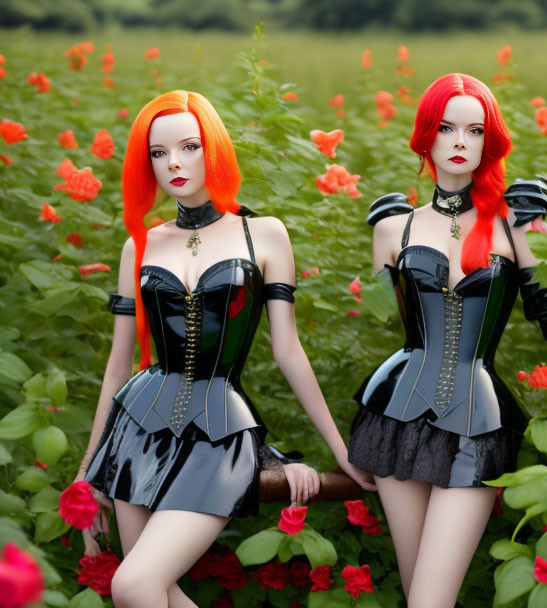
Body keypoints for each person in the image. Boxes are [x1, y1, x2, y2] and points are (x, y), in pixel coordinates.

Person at [348, 73, 547, 608]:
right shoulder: (391, 227)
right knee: (416, 596)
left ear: (490, 140)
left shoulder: (516, 223)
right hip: (394, 415)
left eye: (475, 129)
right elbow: (383, 319)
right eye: (447, 128)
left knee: (430, 601)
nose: (461, 141)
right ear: (427, 136)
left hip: (477, 421)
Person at [75, 90, 375, 608]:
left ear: (213, 147)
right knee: (150, 593)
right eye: (158, 152)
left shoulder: (265, 235)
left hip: (220, 433)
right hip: (135, 431)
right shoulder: (139, 244)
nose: (173, 162)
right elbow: (117, 367)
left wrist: (343, 453)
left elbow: (289, 352)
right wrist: (87, 469)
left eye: (188, 146)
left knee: (134, 584)